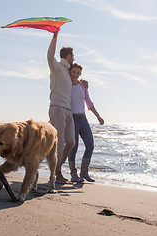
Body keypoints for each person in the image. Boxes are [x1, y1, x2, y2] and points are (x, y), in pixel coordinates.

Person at [68, 63, 104, 183]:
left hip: (83, 119)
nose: (76, 75)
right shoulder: (66, 85)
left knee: (90, 145)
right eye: (74, 72)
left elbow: (89, 102)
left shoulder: (83, 86)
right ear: (69, 72)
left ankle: (84, 172)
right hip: (72, 119)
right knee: (73, 147)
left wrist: (98, 116)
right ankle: (73, 174)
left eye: (78, 73)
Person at [47, 30, 75, 184]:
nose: (74, 58)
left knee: (71, 141)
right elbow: (49, 56)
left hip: (68, 110)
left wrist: (83, 83)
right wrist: (54, 37)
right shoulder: (56, 67)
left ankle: (57, 167)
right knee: (59, 141)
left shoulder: (68, 73)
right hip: (57, 107)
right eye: (73, 56)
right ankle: (56, 172)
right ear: (67, 56)